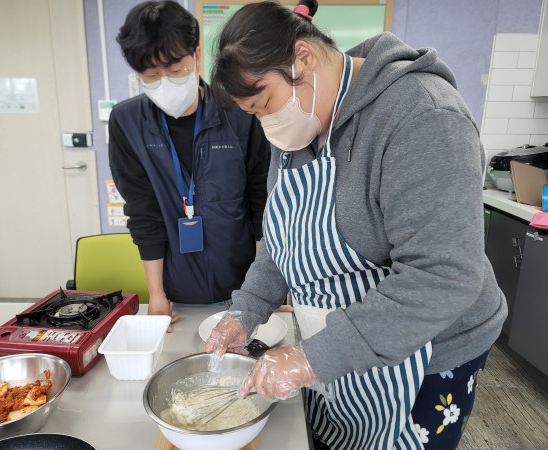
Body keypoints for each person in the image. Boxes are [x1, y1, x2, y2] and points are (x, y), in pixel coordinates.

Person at [205, 1, 507, 449]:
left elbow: (442, 277)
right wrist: (246, 310)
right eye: (254, 114)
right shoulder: (299, 123)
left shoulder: (422, 115)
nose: (266, 123)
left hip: (426, 356)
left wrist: (311, 358)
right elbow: (282, 236)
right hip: (341, 347)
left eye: (265, 102)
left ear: (303, 57)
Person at [109, 1, 270, 331]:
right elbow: (143, 212)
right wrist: (156, 296)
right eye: (151, 76)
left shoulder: (239, 111)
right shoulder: (127, 122)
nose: (165, 83)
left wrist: (262, 292)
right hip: (176, 293)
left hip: (242, 288)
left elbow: (261, 202)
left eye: (176, 70)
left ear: (196, 55)